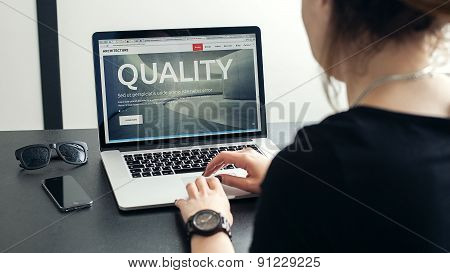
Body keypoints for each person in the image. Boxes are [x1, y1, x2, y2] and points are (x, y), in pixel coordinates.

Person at [175, 0, 450, 252]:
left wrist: (208, 223)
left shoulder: (324, 164)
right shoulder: (319, 171)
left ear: (324, 4)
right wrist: (291, 179)